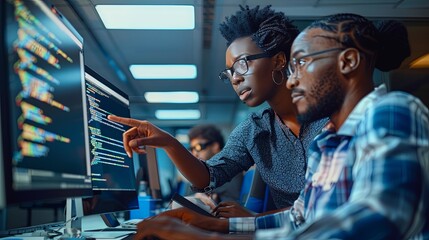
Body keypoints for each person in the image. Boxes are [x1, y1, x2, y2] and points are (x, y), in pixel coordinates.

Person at [132, 13, 429, 240]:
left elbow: (381, 218)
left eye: (300, 63)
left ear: (348, 61)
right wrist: (212, 224)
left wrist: (209, 237)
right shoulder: (330, 140)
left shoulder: (391, 111)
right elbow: (300, 218)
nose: (292, 78)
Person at [108, 4, 327, 220]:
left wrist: (253, 220)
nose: (235, 78)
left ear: (279, 61)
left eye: (242, 64)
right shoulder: (254, 129)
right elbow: (208, 178)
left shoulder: (331, 116)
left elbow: (332, 204)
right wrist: (170, 143)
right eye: (229, 73)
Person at [180, 124, 243, 205]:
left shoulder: (229, 170)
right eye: (192, 149)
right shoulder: (203, 172)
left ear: (215, 146)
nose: (194, 153)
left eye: (198, 147)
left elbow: (231, 206)